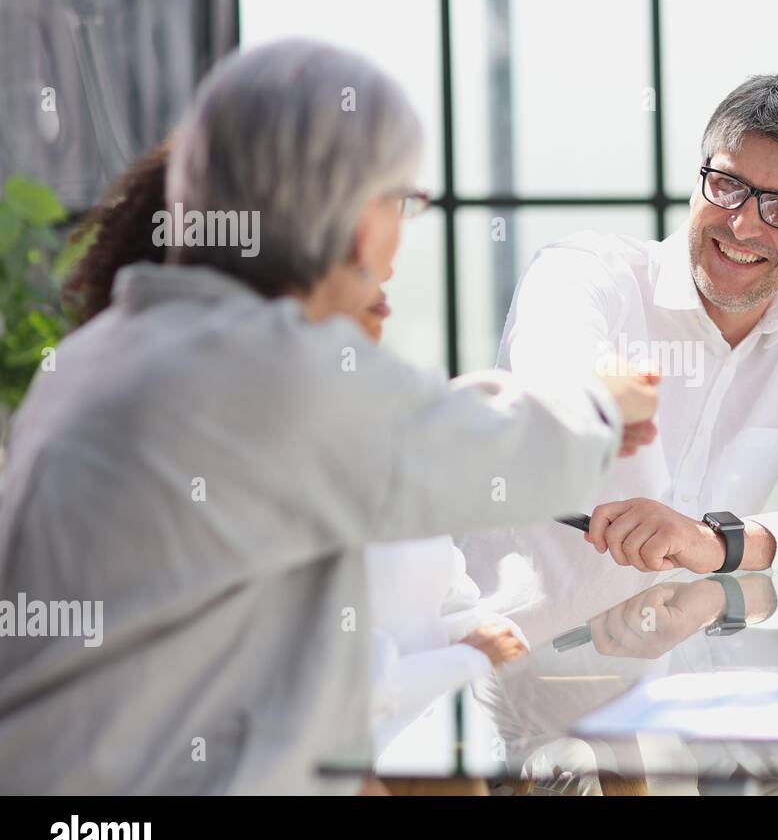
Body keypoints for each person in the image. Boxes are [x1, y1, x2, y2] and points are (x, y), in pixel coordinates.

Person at [0, 39, 657, 794]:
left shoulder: (100, 353)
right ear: (359, 222)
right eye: (402, 203)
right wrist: (605, 401)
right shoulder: (265, 369)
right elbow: (487, 454)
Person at [463, 74, 778, 635]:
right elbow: (553, 367)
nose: (743, 224)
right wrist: (599, 398)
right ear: (698, 181)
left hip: (693, 671)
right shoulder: (583, 270)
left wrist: (724, 543)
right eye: (727, 186)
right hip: (528, 661)